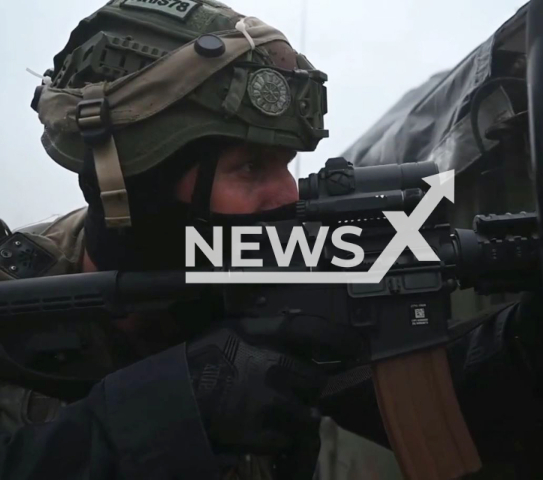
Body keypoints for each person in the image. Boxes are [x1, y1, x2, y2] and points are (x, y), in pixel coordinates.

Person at [0, 1, 404, 479]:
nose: (288, 195)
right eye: (251, 166)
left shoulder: (283, 281)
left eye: (286, 164)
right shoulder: (15, 299)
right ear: (140, 184)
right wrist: (171, 409)